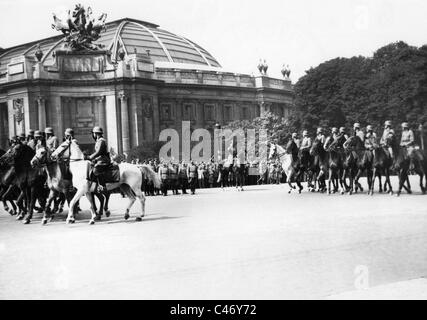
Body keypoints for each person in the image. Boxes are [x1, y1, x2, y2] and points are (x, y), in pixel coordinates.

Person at [84, 126, 110, 192]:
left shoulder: (101, 141)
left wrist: (90, 157)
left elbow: (98, 152)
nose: (93, 135)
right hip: (99, 159)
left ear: (96, 134)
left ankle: (102, 186)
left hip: (103, 160)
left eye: (94, 133)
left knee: (96, 169)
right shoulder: (98, 141)